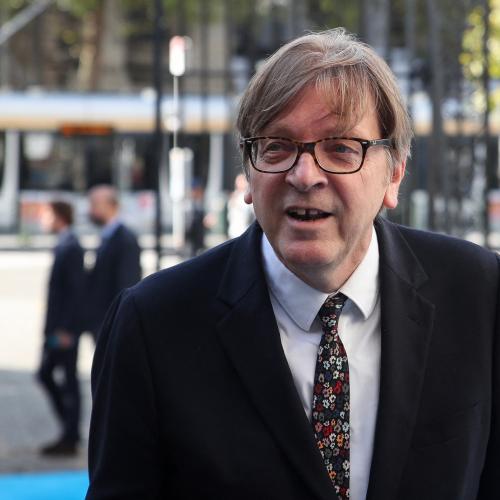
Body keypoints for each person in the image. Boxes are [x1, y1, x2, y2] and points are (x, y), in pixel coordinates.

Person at [86, 29, 499, 500]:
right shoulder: (153, 324)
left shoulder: (479, 294)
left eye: (341, 148)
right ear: (248, 172)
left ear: (395, 174)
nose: (304, 175)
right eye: (277, 146)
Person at [37, 201, 84, 456]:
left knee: (59, 376)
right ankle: (69, 431)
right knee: (55, 375)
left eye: (46, 215)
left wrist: (66, 329)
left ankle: (70, 433)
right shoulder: (65, 244)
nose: (42, 220)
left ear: (58, 216)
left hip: (64, 332)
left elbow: (75, 292)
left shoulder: (71, 246)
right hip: (58, 329)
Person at [85, 185, 142, 340]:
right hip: (103, 321)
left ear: (111, 206)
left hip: (113, 323)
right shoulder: (109, 235)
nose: (90, 210)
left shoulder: (124, 239)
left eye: (94, 204)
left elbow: (126, 284)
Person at [226, 173, 255, 239]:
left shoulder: (248, 196)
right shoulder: (234, 195)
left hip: (244, 232)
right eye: (238, 181)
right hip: (233, 231)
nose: (239, 183)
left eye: (241, 181)